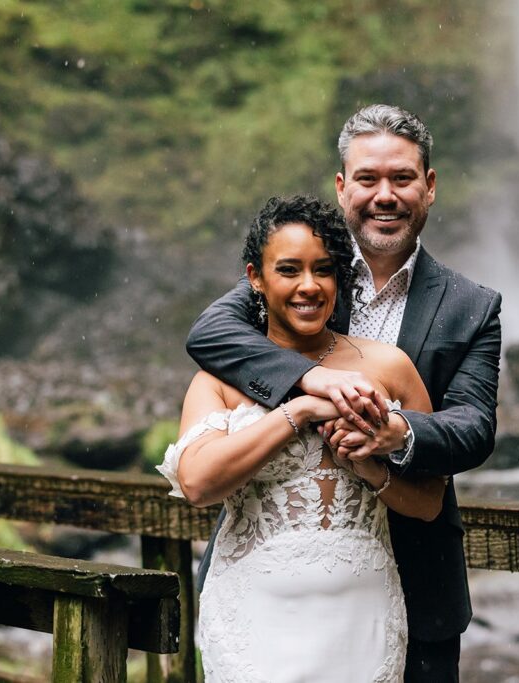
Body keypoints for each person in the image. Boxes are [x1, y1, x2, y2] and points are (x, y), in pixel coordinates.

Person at [186, 104, 502, 681]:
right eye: (368, 179)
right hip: (269, 585)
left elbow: (475, 427)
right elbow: (209, 333)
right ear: (341, 187)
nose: (385, 195)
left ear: (429, 187)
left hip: (417, 578)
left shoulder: (471, 307)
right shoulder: (303, 274)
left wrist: (397, 435)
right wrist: (310, 382)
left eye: (402, 178)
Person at [158, 195, 445, 681]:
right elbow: (198, 485)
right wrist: (300, 409)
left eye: (324, 270)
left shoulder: (389, 367)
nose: (309, 286)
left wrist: (372, 469)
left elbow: (430, 502)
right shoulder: (219, 379)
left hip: (364, 617)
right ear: (256, 278)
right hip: (254, 615)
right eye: (289, 270)